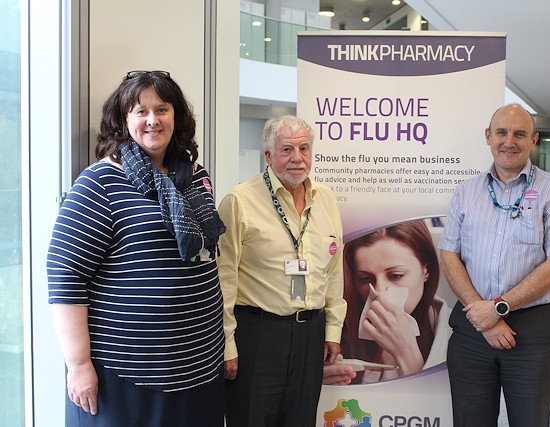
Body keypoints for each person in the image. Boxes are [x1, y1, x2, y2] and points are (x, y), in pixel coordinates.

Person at [47, 70, 226, 427]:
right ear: (123, 119)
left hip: (198, 365)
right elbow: (65, 277)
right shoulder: (99, 182)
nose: (152, 120)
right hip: (128, 375)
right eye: (140, 111)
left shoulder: (193, 174)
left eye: (162, 109)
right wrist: (79, 365)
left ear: (176, 116)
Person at [438, 103, 550, 426]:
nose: (509, 141)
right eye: (501, 133)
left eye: (520, 134)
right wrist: (483, 314)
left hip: (533, 332)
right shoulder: (466, 192)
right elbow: (449, 255)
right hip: (472, 328)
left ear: (533, 141)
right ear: (488, 137)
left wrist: (498, 308)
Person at [217, 115, 347, 426]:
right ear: (268, 155)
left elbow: (333, 272)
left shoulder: (326, 199)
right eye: (287, 149)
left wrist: (332, 330)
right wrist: (227, 344)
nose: (297, 159)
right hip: (258, 336)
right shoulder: (239, 201)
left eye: (304, 148)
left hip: (309, 335)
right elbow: (223, 280)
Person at [323, 219, 451, 385]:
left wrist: (407, 353)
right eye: (365, 278)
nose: (380, 292)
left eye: (396, 275)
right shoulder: (334, 331)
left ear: (425, 270)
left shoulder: (457, 336)